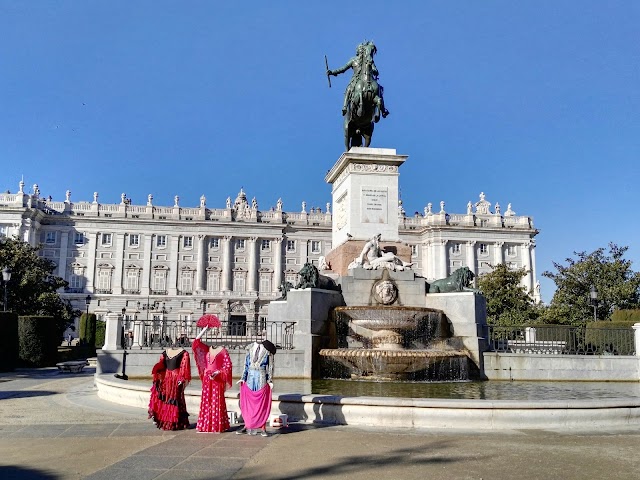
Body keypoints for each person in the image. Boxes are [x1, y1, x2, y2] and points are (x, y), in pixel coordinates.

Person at [328, 41, 389, 118]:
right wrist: (332, 72)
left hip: (370, 77)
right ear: (357, 51)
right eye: (359, 49)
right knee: (349, 88)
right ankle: (345, 107)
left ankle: (383, 110)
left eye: (361, 48)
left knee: (379, 89)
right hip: (356, 78)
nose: (360, 50)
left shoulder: (368, 60)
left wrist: (375, 70)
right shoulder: (353, 60)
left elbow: (375, 70)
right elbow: (343, 69)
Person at [192, 326, 233, 433]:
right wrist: (205, 329)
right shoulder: (207, 349)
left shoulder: (223, 351)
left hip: (217, 379)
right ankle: (206, 425)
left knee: (216, 401)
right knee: (206, 401)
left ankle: (217, 425)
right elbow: (195, 342)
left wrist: (218, 372)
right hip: (207, 379)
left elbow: (228, 365)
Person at [236, 340, 276, 437]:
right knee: (248, 402)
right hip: (250, 376)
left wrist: (270, 380)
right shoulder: (249, 347)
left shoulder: (267, 349)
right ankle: (247, 425)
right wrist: (243, 378)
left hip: (261, 376)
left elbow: (270, 366)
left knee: (261, 402)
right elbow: (246, 364)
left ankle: (262, 426)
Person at [148, 347, 191, 430]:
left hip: (176, 379)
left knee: (174, 399)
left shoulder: (184, 353)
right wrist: (157, 374)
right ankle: (166, 421)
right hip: (167, 379)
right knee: (166, 399)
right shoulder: (165, 353)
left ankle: (174, 422)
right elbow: (161, 365)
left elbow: (184, 368)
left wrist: (182, 378)